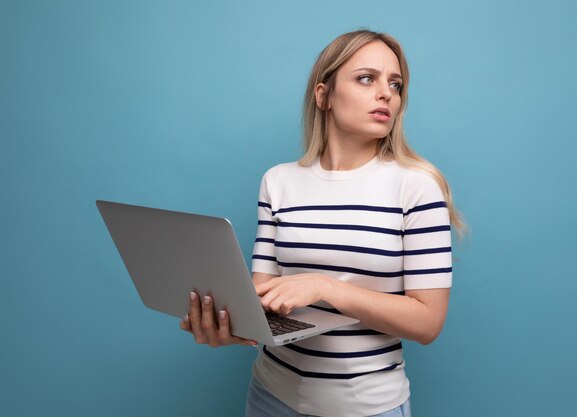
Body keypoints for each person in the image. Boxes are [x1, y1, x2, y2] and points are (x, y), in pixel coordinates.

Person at [180, 29, 466, 417]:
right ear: (324, 95)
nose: (386, 93)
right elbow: (264, 293)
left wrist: (324, 287)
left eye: (394, 84)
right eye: (367, 78)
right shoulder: (278, 181)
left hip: (367, 408)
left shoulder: (417, 186)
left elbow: (428, 321)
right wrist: (226, 321)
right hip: (269, 397)